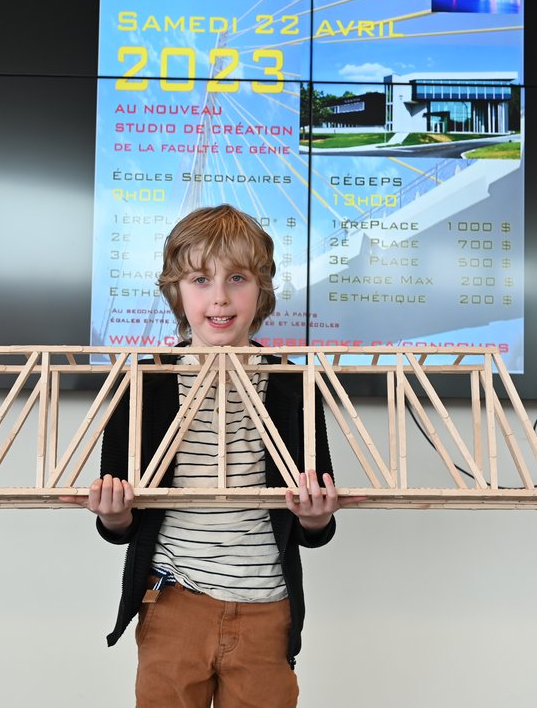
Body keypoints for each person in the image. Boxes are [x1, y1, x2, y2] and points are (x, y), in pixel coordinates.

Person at [61, 203, 363, 707]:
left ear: (261, 289)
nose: (219, 297)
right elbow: (119, 522)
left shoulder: (294, 383)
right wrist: (113, 515)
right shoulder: (144, 381)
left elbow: (314, 524)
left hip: (267, 607)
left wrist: (315, 518)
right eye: (200, 279)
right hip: (172, 602)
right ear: (176, 290)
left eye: (237, 278)